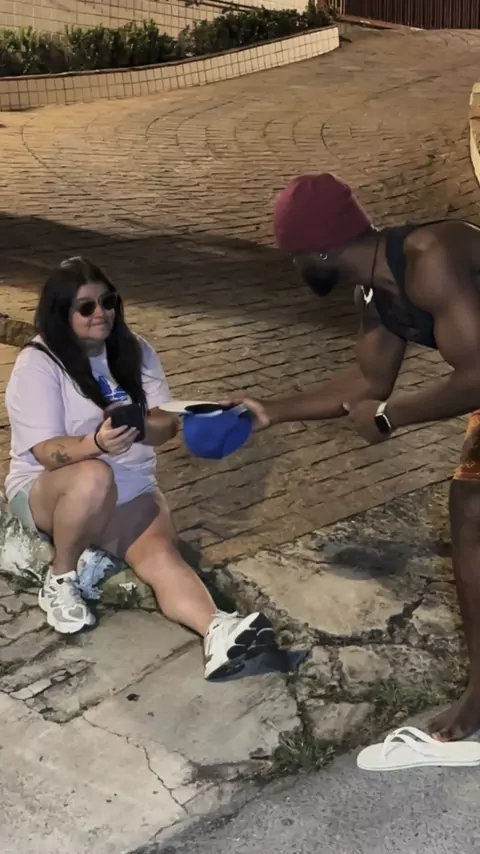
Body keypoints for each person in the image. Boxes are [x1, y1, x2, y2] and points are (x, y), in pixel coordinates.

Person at [228, 172, 480, 740]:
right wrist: (270, 410)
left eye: (294, 255)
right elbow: (367, 382)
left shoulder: (431, 258)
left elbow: (477, 375)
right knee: (472, 508)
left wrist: (392, 418)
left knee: (473, 507)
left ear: (321, 251)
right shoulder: (376, 290)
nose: (294, 266)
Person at [4, 256, 275, 680]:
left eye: (108, 301)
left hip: (129, 482)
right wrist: (95, 444)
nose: (101, 313)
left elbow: (165, 425)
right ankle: (61, 578)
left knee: (161, 555)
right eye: (86, 307)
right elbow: (46, 452)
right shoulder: (39, 363)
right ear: (61, 313)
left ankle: (217, 631)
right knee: (95, 475)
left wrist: (146, 425)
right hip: (48, 488)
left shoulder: (135, 349)